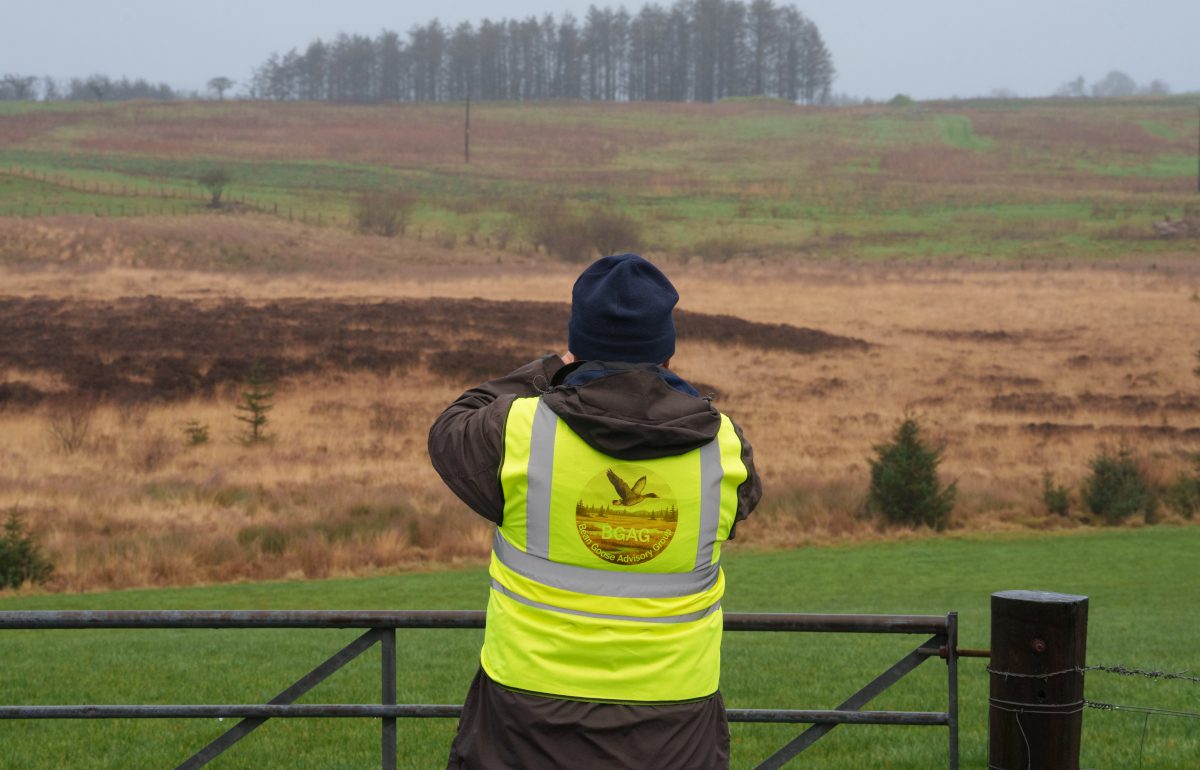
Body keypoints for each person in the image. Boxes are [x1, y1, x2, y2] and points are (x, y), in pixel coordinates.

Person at [428, 253, 761, 770]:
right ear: (666, 352)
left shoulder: (515, 433)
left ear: (579, 344)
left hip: (526, 719)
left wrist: (550, 368)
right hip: (675, 725)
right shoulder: (724, 447)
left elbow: (452, 425)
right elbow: (740, 506)